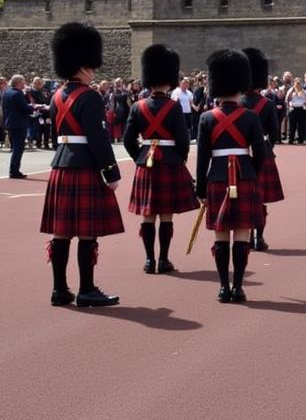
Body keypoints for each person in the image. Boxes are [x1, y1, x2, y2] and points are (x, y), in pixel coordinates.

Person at [40, 23, 123, 307]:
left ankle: (59, 289)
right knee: (87, 230)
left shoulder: (56, 96)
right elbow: (98, 139)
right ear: (84, 66)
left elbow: (55, 136)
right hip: (85, 166)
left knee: (61, 230)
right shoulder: (89, 96)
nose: (94, 71)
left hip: (61, 165)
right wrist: (110, 171)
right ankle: (86, 288)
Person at [195, 50, 267, 303]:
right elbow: (261, 153)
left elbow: (202, 157)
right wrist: (251, 174)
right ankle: (238, 287)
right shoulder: (250, 116)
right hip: (244, 176)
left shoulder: (206, 118)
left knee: (221, 234)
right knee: (242, 235)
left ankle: (223, 287)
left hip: (216, 177)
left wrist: (200, 189)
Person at [123, 44, 199, 274]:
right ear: (168, 81)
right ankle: (164, 260)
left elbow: (128, 139)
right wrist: (179, 158)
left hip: (146, 163)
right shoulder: (174, 107)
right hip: (169, 162)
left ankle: (149, 260)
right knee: (166, 214)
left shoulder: (137, 106)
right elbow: (183, 140)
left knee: (148, 214)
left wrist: (140, 156)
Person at [242, 48, 285, 252]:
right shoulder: (267, 104)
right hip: (264, 152)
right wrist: (267, 147)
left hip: (241, 152)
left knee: (245, 197)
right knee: (260, 198)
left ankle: (247, 236)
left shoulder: (238, 103)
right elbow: (274, 133)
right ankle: (259, 238)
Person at [2, 74, 33, 179]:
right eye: (23, 81)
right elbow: (25, 108)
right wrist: (34, 107)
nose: (24, 83)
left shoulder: (6, 93)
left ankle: (14, 170)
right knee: (18, 149)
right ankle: (14, 171)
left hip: (10, 123)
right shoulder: (18, 94)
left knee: (16, 148)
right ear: (19, 83)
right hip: (19, 124)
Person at [287, 78, 306, 144]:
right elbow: (287, 99)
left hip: (301, 109)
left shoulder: (305, 91)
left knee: (301, 126)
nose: (297, 85)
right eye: (296, 84)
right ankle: (291, 139)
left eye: (299, 84)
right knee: (292, 125)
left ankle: (301, 139)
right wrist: (292, 90)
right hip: (293, 109)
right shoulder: (291, 91)